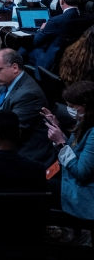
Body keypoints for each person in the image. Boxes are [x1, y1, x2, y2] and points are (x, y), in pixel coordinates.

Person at [44, 81, 94, 220]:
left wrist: (60, 142)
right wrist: (57, 131)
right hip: (69, 180)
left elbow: (81, 172)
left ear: (84, 106)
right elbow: (73, 149)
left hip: (83, 193)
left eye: (72, 106)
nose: (68, 109)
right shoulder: (83, 121)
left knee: (36, 186)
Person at [19, 0, 93, 69]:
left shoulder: (55, 21)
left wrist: (41, 29)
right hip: (77, 56)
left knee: (24, 46)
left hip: (53, 59)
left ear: (61, 1)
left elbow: (37, 41)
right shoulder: (89, 17)